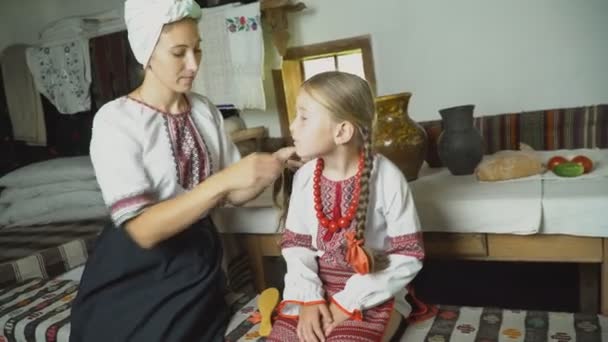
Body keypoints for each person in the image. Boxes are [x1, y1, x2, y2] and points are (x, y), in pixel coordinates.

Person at [69, 0, 296, 341]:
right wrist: (224, 180)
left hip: (196, 262)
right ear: (147, 53)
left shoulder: (204, 110)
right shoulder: (117, 120)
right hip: (133, 265)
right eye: (179, 53)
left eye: (197, 50)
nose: (193, 64)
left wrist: (271, 165)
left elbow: (233, 194)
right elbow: (143, 230)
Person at [267, 71, 425, 342]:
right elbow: (297, 245)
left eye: (304, 117)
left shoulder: (387, 177)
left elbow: (408, 255)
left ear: (342, 131)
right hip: (318, 288)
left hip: (373, 292)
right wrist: (308, 299)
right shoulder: (305, 177)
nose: (292, 127)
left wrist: (345, 304)